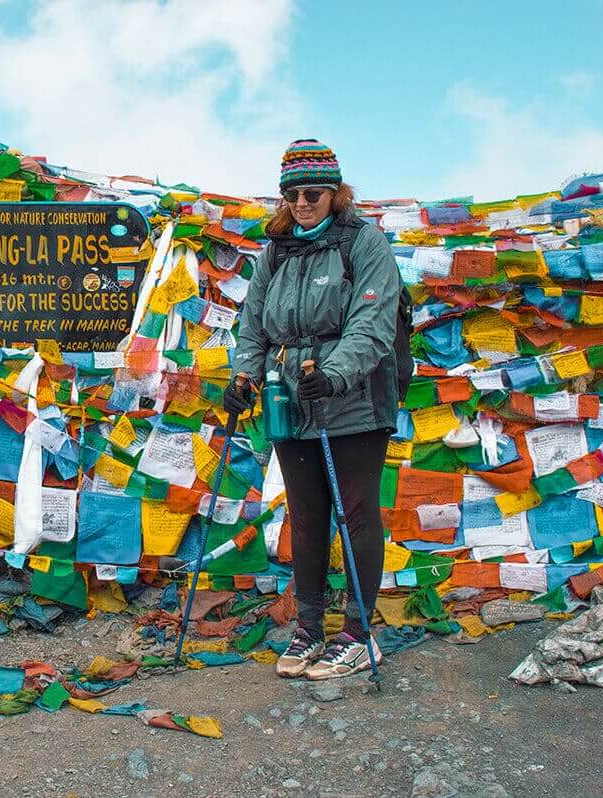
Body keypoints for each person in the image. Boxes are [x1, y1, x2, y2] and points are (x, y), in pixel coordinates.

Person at [224, 139, 402, 680]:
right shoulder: (275, 251)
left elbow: (372, 323)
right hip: (290, 400)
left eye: (314, 193)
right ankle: (309, 627)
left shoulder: (363, 243)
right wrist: (243, 376)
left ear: (334, 192)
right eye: (293, 194)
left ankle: (358, 632)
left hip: (352, 403)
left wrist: (336, 374)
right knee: (305, 517)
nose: (303, 203)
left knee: (354, 512)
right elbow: (252, 323)